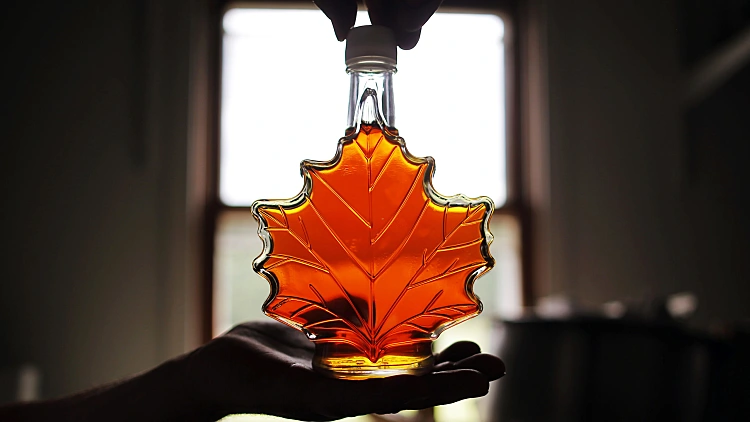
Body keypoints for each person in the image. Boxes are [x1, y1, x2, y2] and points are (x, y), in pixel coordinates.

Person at [0, 1, 505, 421]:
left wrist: (191, 385)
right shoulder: (336, 176)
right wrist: (196, 383)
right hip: (350, 359)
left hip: (402, 356)